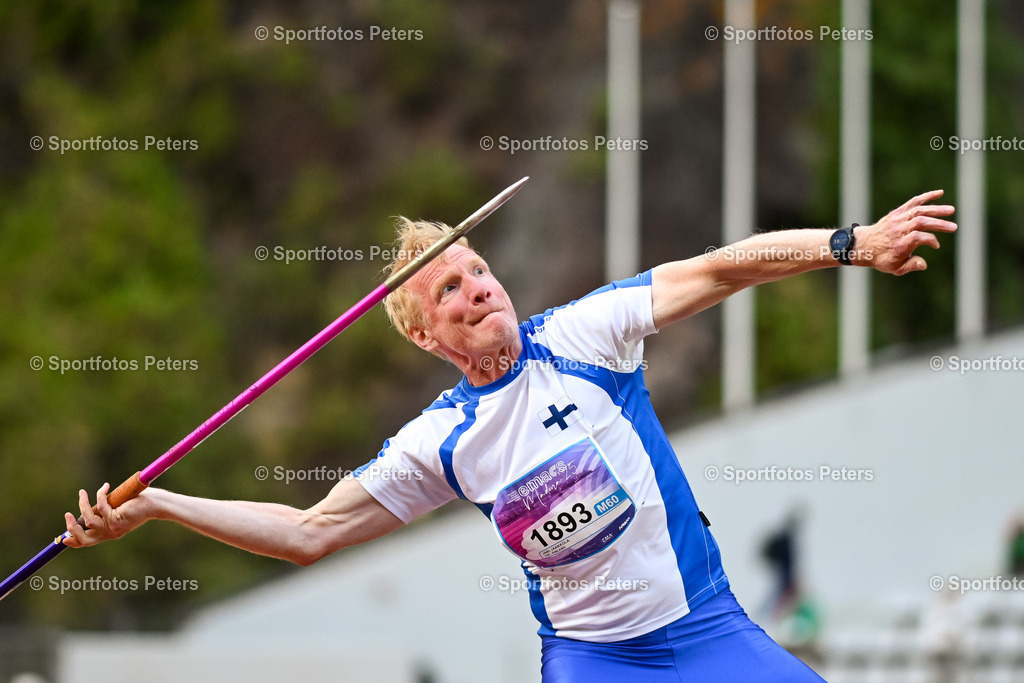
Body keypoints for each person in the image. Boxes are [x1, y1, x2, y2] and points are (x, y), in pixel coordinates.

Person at [64, 189, 956, 681]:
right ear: (423, 334)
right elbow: (311, 534)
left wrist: (849, 243)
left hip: (711, 628)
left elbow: (719, 268)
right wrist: (161, 507)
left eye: (478, 270)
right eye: (447, 290)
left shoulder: (584, 336)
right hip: (594, 665)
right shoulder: (439, 442)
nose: (476, 289)